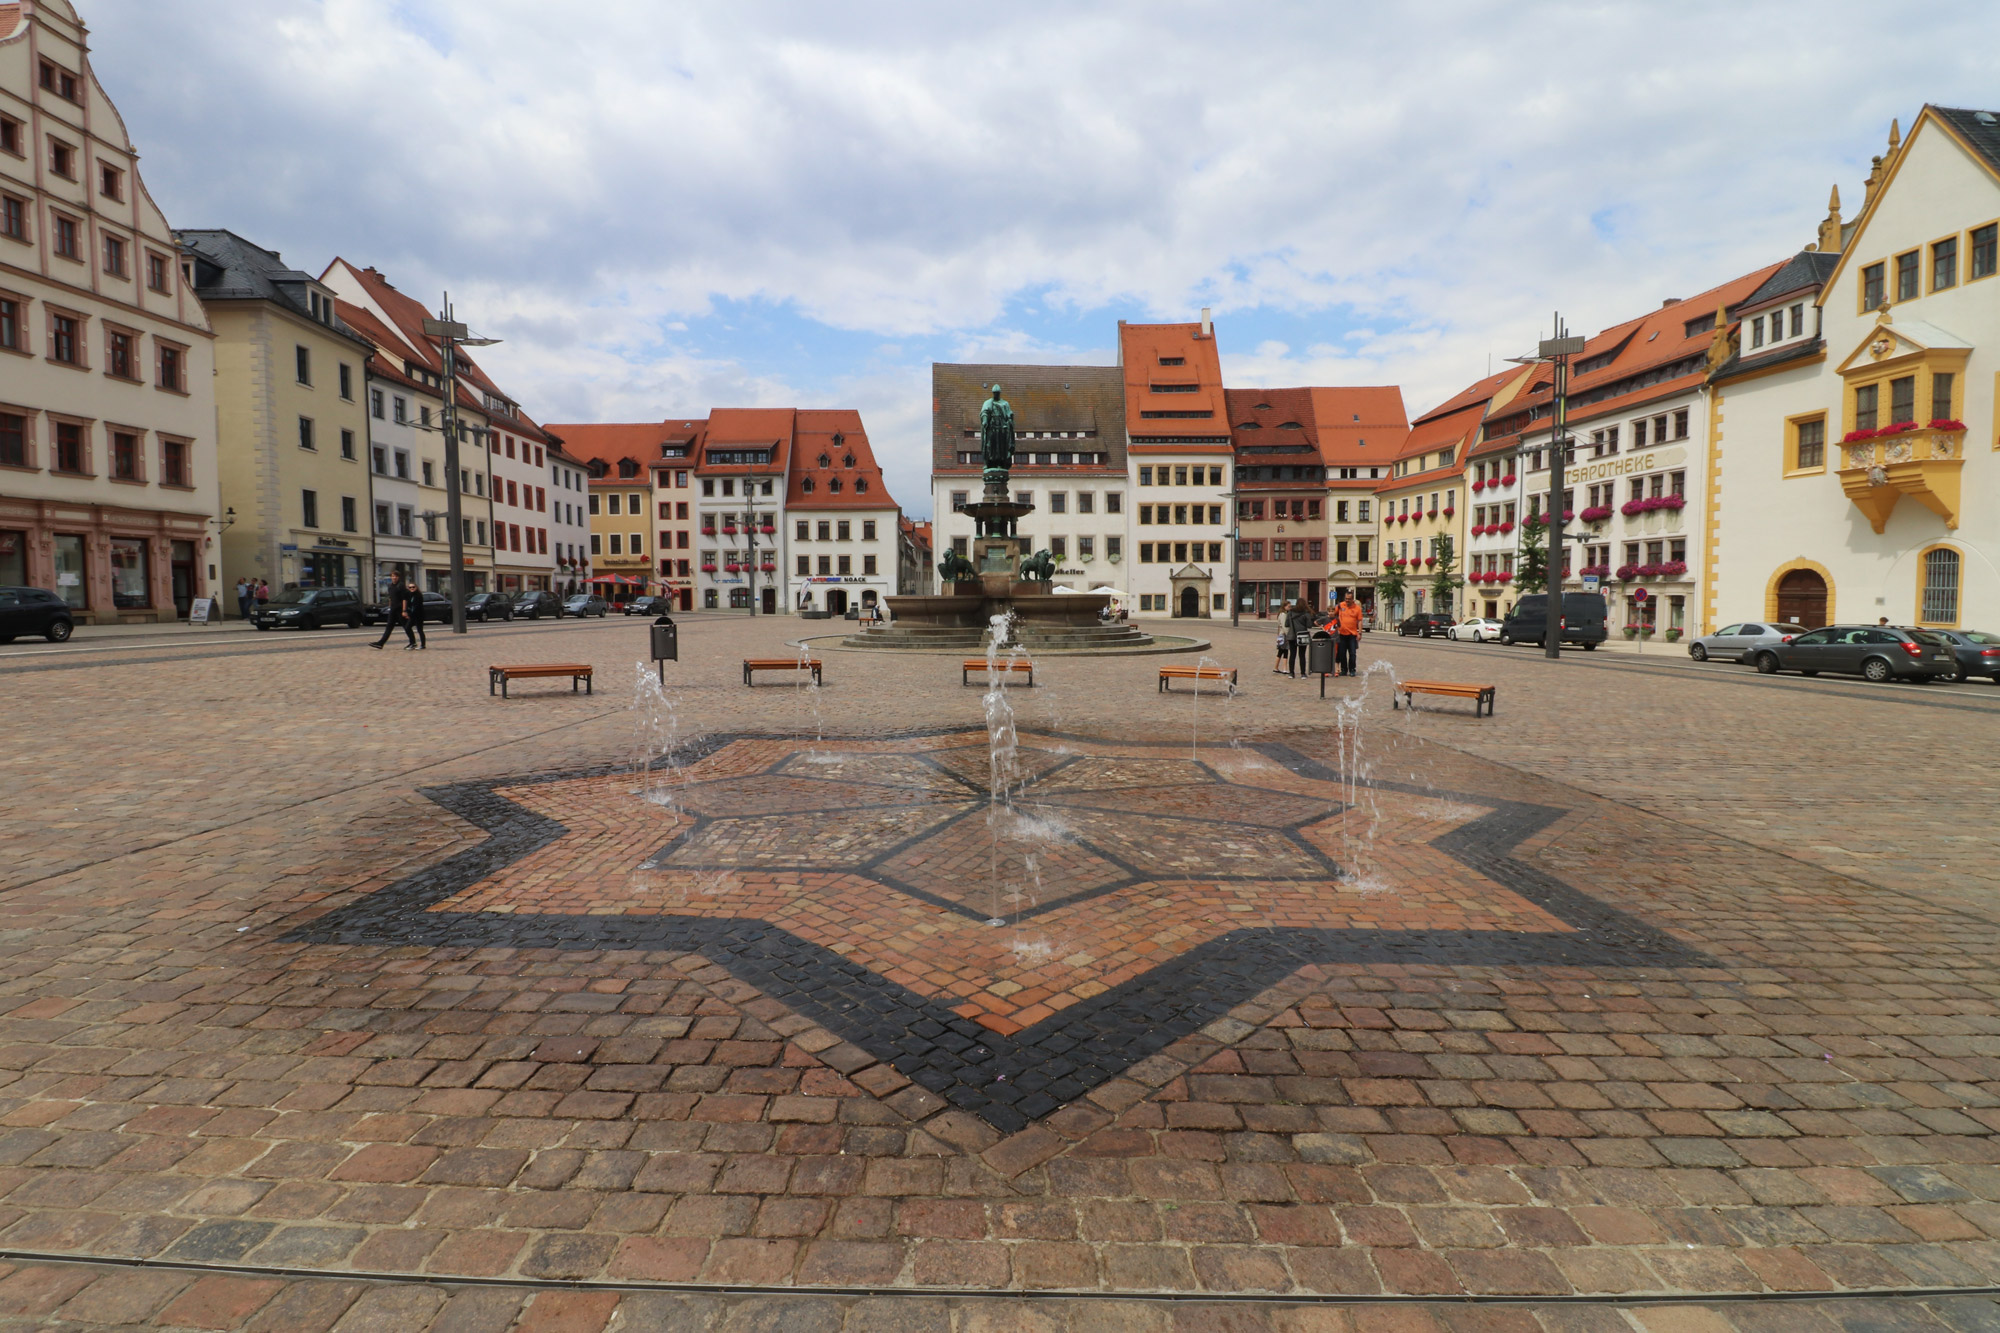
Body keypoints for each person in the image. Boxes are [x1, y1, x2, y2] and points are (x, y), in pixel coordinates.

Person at [1334, 591, 1364, 676]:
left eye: (1349, 599)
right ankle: (1344, 669)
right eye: (1346, 599)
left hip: (1352, 635)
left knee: (1352, 653)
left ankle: (1352, 669)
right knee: (1342, 653)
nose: (1347, 600)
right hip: (1342, 634)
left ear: (1352, 599)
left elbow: (1359, 621)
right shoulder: (1340, 605)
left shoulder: (1357, 608)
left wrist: (1360, 633)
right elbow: (1333, 614)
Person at [1286, 602, 1313, 677]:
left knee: (1292, 655)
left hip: (1292, 636)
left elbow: (1286, 624)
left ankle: (1291, 673)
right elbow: (1309, 625)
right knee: (1302, 655)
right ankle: (1303, 673)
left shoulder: (1290, 613)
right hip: (1303, 635)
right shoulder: (1306, 613)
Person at [1274, 601, 1292, 674]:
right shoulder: (1284, 615)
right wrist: (1288, 636)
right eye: (1288, 606)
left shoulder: (1281, 614)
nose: (1290, 608)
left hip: (1281, 635)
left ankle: (1276, 667)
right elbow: (1285, 627)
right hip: (1284, 635)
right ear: (1284, 607)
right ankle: (1284, 668)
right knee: (1285, 651)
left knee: (1281, 651)